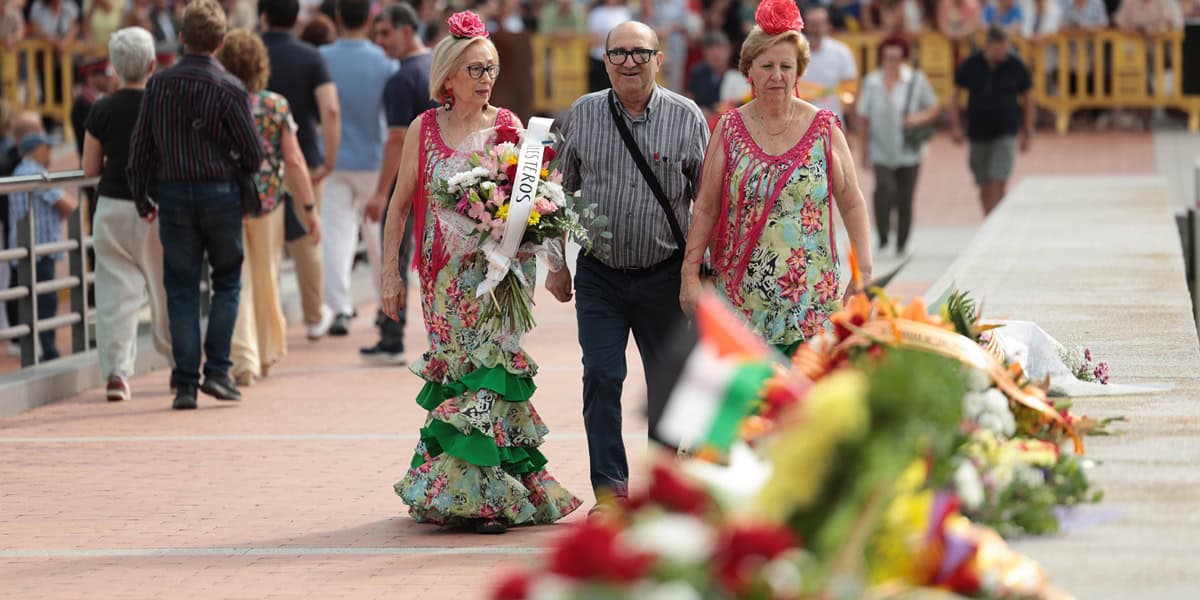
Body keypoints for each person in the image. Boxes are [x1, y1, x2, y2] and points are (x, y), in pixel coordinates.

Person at [381, 10, 581, 535]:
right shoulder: (424, 129)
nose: (485, 78)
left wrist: (557, 265)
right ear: (447, 76)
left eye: (489, 68)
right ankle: (459, 488)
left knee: (490, 372)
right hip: (442, 282)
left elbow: (544, 200)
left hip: (500, 277)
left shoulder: (510, 128)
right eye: (474, 69)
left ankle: (489, 496)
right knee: (458, 372)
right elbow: (399, 205)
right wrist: (389, 273)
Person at [552, 21, 708, 509]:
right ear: (605, 61)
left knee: (667, 385)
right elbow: (555, 193)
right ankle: (611, 493)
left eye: (640, 53)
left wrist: (697, 274)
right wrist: (557, 264)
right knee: (601, 375)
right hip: (600, 274)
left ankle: (663, 491)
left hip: (665, 274)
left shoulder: (687, 118)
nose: (628, 63)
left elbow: (706, 203)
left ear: (659, 60)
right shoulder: (582, 115)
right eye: (617, 54)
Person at [679, 0, 873, 357]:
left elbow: (852, 201)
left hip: (812, 302)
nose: (777, 75)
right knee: (750, 407)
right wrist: (690, 276)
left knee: (808, 404)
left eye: (786, 66)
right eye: (766, 66)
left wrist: (863, 275)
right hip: (742, 302)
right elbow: (705, 207)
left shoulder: (824, 128)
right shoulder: (730, 128)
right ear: (748, 70)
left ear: (799, 71)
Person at [127, 0, 265, 409]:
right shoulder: (231, 88)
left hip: (172, 194)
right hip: (220, 195)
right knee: (226, 282)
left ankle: (185, 382)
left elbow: (140, 150)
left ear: (182, 37)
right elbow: (254, 155)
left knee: (182, 288)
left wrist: (142, 198)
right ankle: (218, 372)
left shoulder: (159, 85)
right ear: (221, 41)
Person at [217, 30, 321, 386]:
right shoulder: (275, 105)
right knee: (266, 275)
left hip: (227, 199)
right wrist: (308, 208)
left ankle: (241, 356)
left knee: (236, 277)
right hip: (268, 202)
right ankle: (265, 351)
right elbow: (293, 159)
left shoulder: (219, 103)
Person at [82, 26, 172, 401]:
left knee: (114, 294)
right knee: (166, 289)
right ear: (153, 64)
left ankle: (117, 373)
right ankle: (177, 364)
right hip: (157, 206)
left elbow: (89, 168)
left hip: (113, 207)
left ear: (114, 68)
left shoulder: (101, 109)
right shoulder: (165, 105)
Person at [359, 2, 435, 365]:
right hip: (446, 181)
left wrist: (380, 193)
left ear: (407, 31)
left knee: (397, 257)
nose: (380, 41)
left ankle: (392, 336)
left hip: (412, 183)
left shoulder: (402, 78)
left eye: (385, 33)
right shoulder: (439, 66)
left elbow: (396, 140)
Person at [260, 0, 341, 340]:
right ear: (296, 18)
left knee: (266, 245)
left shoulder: (251, 52)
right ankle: (313, 316)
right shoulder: (311, 56)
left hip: (258, 161)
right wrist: (329, 160)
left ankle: (269, 318)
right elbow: (331, 110)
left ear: (263, 17)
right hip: (304, 158)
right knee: (309, 237)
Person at [319, 0, 396, 337]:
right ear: (370, 19)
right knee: (377, 234)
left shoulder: (322, 58)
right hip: (375, 158)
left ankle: (339, 307)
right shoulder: (385, 63)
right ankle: (386, 304)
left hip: (333, 157)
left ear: (337, 17)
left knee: (335, 234)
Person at [855, 35, 938, 257]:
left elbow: (932, 107)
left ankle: (902, 241)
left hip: (908, 149)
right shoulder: (871, 83)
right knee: (884, 188)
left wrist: (917, 119)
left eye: (897, 58)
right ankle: (883, 234)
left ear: (904, 59)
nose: (892, 62)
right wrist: (864, 152)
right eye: (888, 58)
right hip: (881, 148)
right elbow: (863, 118)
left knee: (905, 196)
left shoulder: (915, 80)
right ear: (882, 58)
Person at [948, 26, 1033, 215]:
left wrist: (1027, 130)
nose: (1004, 51)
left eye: (1006, 46)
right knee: (984, 182)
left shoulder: (1015, 65)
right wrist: (955, 126)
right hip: (978, 133)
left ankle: (995, 223)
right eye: (1001, 47)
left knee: (998, 178)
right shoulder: (971, 64)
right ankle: (989, 220)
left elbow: (1028, 98)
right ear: (989, 45)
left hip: (1005, 131)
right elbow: (954, 94)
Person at [8, 133, 78, 361]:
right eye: (47, 148)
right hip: (41, 248)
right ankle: (48, 351)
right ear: (37, 149)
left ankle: (37, 349)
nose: (50, 153)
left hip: (24, 249)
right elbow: (69, 206)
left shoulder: (19, 171)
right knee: (46, 302)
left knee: (30, 300)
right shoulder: (35, 173)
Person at [798, 6, 857, 122]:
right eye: (812, 24)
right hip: (800, 121)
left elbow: (850, 91)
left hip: (832, 122)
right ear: (804, 26)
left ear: (828, 26)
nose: (816, 29)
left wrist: (853, 129)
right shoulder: (794, 51)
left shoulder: (841, 52)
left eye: (820, 24)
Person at [585, 0, 633, 93]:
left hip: (619, 59)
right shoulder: (596, 13)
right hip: (599, 58)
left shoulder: (625, 12)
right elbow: (593, 37)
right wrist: (616, 40)